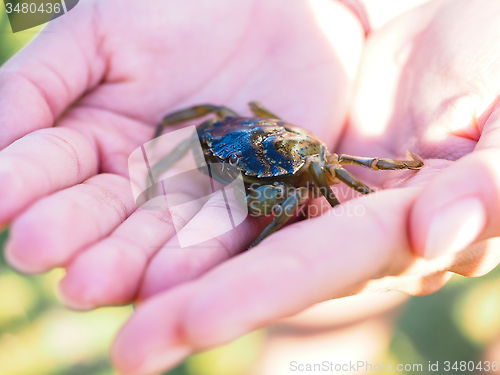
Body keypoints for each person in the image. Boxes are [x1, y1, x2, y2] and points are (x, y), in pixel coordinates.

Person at [1, 0, 499, 373]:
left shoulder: (312, 166)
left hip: (307, 151)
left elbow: (338, 179)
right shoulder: (227, 123)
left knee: (345, 227)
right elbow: (203, 125)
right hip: (254, 125)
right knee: (332, 279)